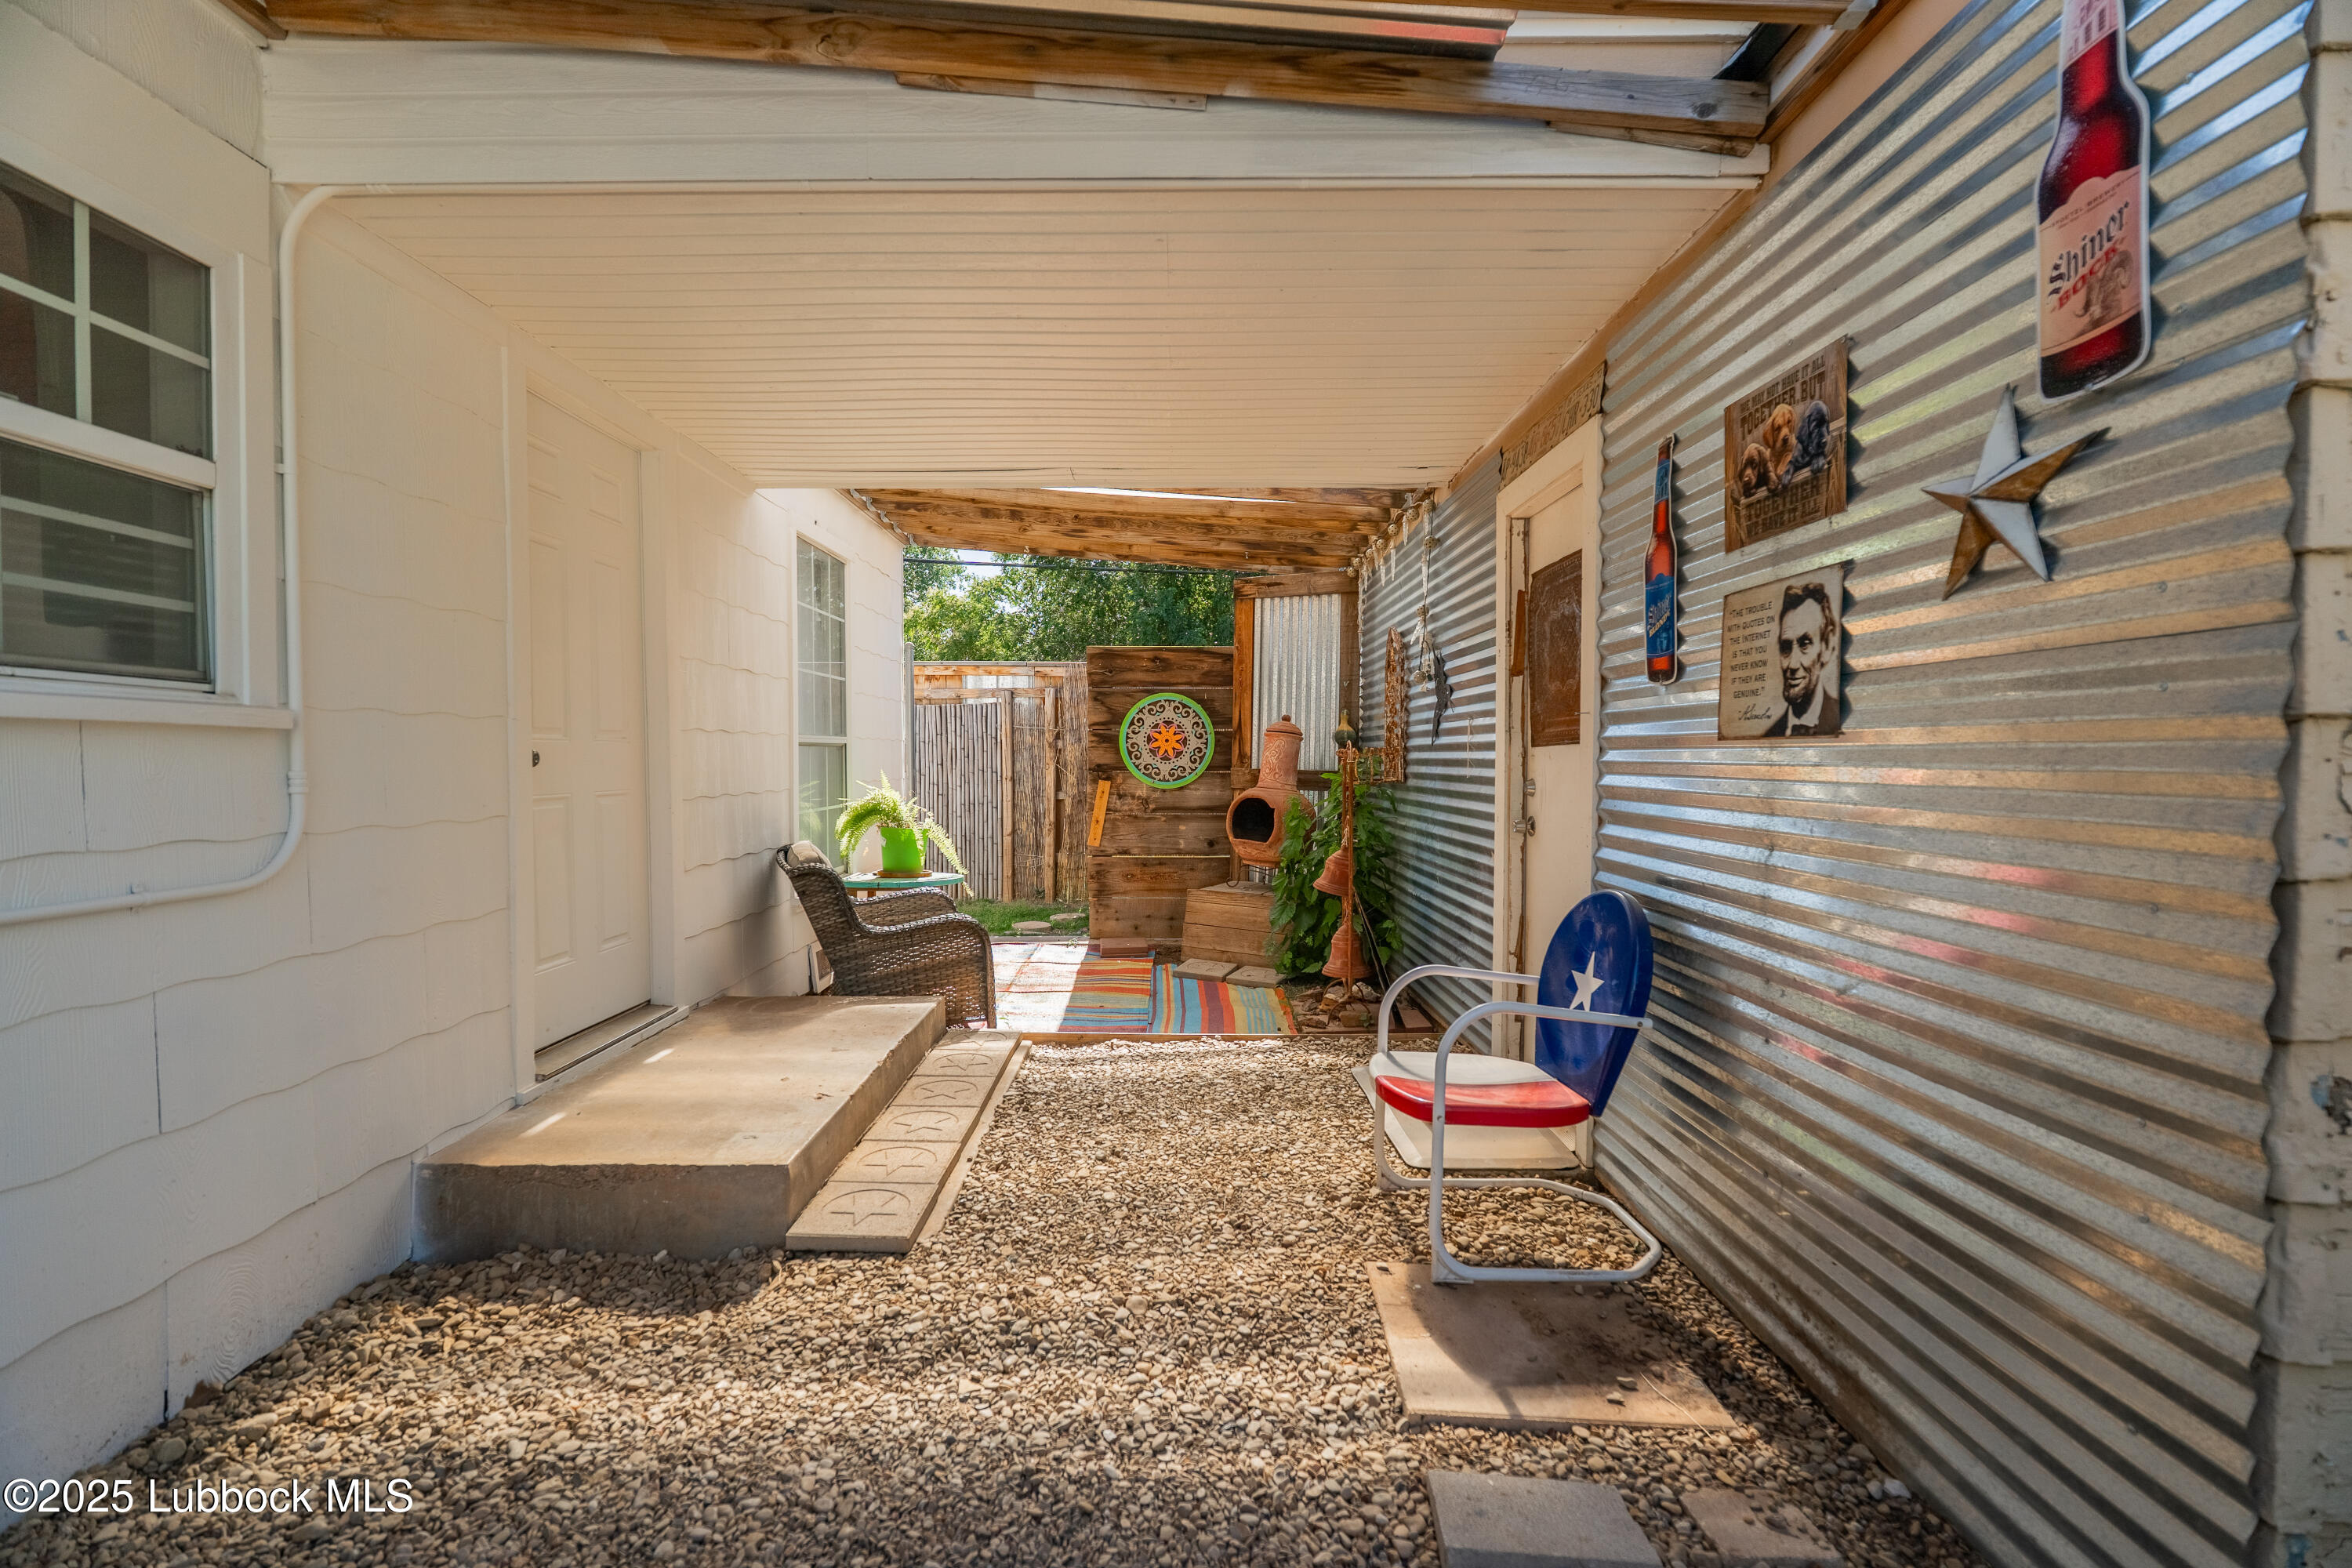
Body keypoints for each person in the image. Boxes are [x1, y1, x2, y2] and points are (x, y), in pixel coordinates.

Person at [1762, 580, 1837, 736]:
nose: (1793, 664)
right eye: (1786, 648)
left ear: (1827, 646)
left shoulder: (1843, 720)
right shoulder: (1769, 736)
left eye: (1805, 644)